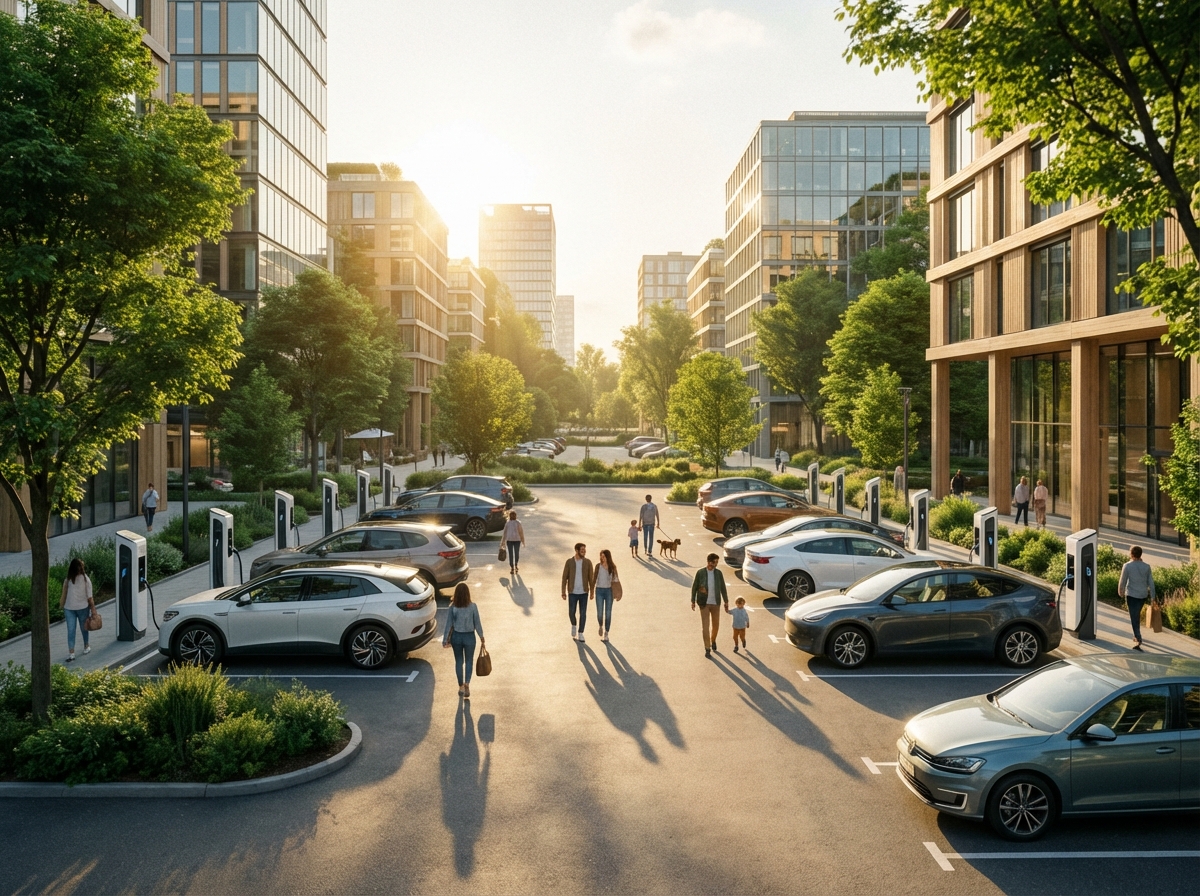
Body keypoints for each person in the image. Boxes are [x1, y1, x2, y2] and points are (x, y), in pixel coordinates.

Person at [442, 583, 484, 698]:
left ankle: (460, 686)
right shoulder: (473, 606)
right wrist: (482, 636)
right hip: (470, 637)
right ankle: (467, 684)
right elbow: (477, 623)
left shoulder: (453, 607)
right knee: (469, 661)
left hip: (456, 637)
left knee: (459, 662)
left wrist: (445, 640)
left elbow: (448, 625)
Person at [691, 553, 729, 657]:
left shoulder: (718, 574)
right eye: (715, 562)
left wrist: (726, 601)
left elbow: (723, 588)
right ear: (709, 562)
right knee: (705, 626)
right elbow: (694, 587)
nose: (716, 564)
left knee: (716, 625)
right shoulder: (700, 573)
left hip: (716, 602)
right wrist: (693, 601)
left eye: (717, 562)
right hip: (704, 603)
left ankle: (713, 640)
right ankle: (707, 648)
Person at [1118, 545, 1156, 650]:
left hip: (1131, 595)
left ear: (1131, 554)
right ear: (1140, 554)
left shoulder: (1127, 566)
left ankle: (1138, 638)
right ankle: (1136, 635)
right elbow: (1151, 582)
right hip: (1142, 595)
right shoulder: (1146, 566)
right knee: (1136, 615)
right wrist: (1153, 596)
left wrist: (1120, 591)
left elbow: (1123, 581)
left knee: (1134, 617)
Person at [59, 559, 95, 662]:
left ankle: (86, 645)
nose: (80, 570)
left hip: (83, 607)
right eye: (78, 568)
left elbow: (90, 597)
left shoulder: (86, 580)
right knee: (71, 630)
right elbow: (65, 593)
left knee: (84, 628)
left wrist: (93, 609)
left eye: (81, 568)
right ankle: (71, 652)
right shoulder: (68, 580)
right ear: (74, 569)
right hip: (69, 608)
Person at [561, 543, 593, 641]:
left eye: (584, 550)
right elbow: (564, 577)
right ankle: (574, 625)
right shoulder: (569, 562)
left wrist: (592, 591)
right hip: (572, 592)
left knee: (583, 613)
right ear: (577, 550)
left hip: (584, 592)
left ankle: (581, 633)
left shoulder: (588, 562)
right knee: (571, 612)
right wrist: (563, 591)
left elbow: (591, 578)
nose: (584, 551)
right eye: (582, 550)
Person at [591, 549, 620, 642]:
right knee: (600, 612)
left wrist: (618, 593)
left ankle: (606, 632)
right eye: (601, 556)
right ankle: (600, 625)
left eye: (603, 556)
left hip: (609, 592)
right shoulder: (598, 566)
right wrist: (591, 591)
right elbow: (594, 579)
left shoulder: (612, 567)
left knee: (608, 612)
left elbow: (616, 581)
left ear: (608, 557)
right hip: (599, 591)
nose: (602, 558)